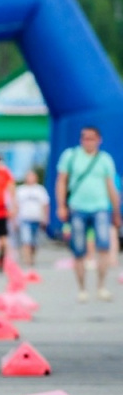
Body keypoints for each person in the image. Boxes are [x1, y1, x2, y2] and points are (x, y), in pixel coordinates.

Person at [55, 126, 121, 301]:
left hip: (100, 207)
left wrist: (116, 211)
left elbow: (111, 187)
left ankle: (101, 286)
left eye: (92, 138)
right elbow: (61, 181)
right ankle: (82, 288)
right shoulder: (71, 156)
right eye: (85, 138)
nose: (88, 141)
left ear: (99, 140)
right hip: (77, 207)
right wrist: (61, 205)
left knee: (104, 245)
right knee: (78, 250)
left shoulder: (104, 159)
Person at [15, 169, 50, 267]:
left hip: (36, 219)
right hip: (24, 218)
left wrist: (46, 217)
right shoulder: (20, 190)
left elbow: (45, 204)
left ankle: (32, 257)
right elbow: (16, 205)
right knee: (26, 240)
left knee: (34, 242)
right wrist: (14, 219)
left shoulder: (40, 190)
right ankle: (27, 260)